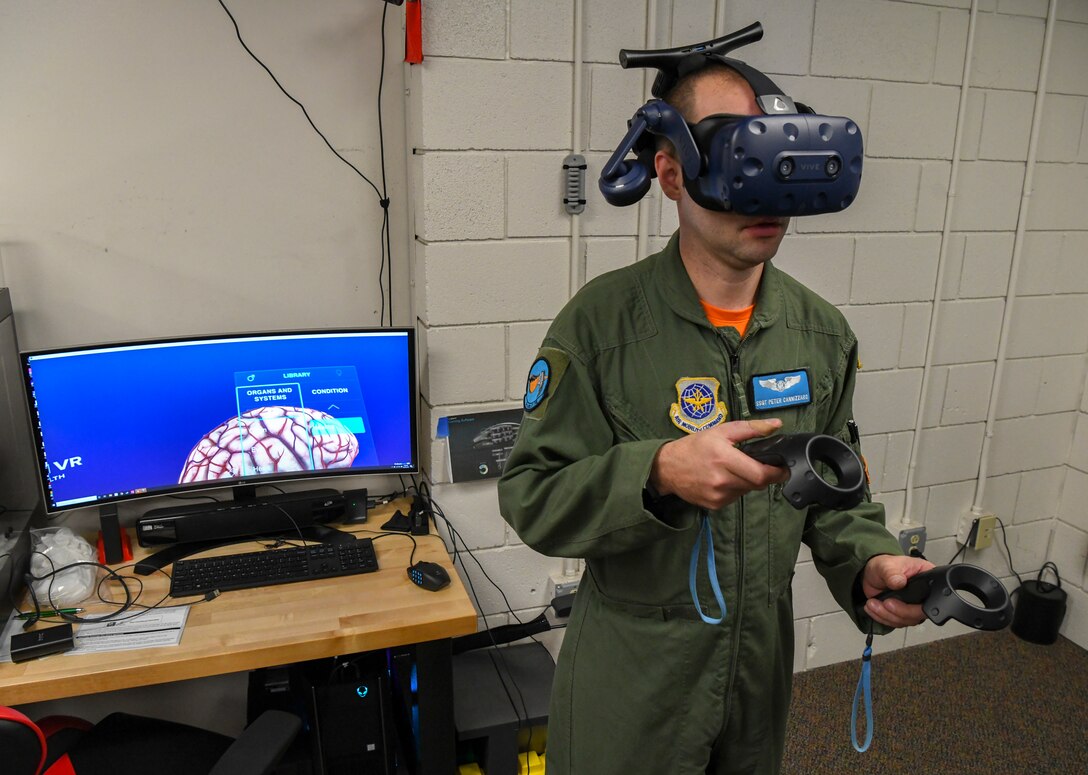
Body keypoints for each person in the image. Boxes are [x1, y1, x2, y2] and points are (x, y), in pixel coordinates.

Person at [497, 61, 934, 775]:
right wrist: (657, 473)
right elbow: (533, 497)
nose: (767, 198)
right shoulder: (600, 326)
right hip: (636, 670)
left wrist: (869, 563)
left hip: (758, 666)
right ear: (671, 174)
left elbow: (833, 496)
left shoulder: (821, 334)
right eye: (740, 157)